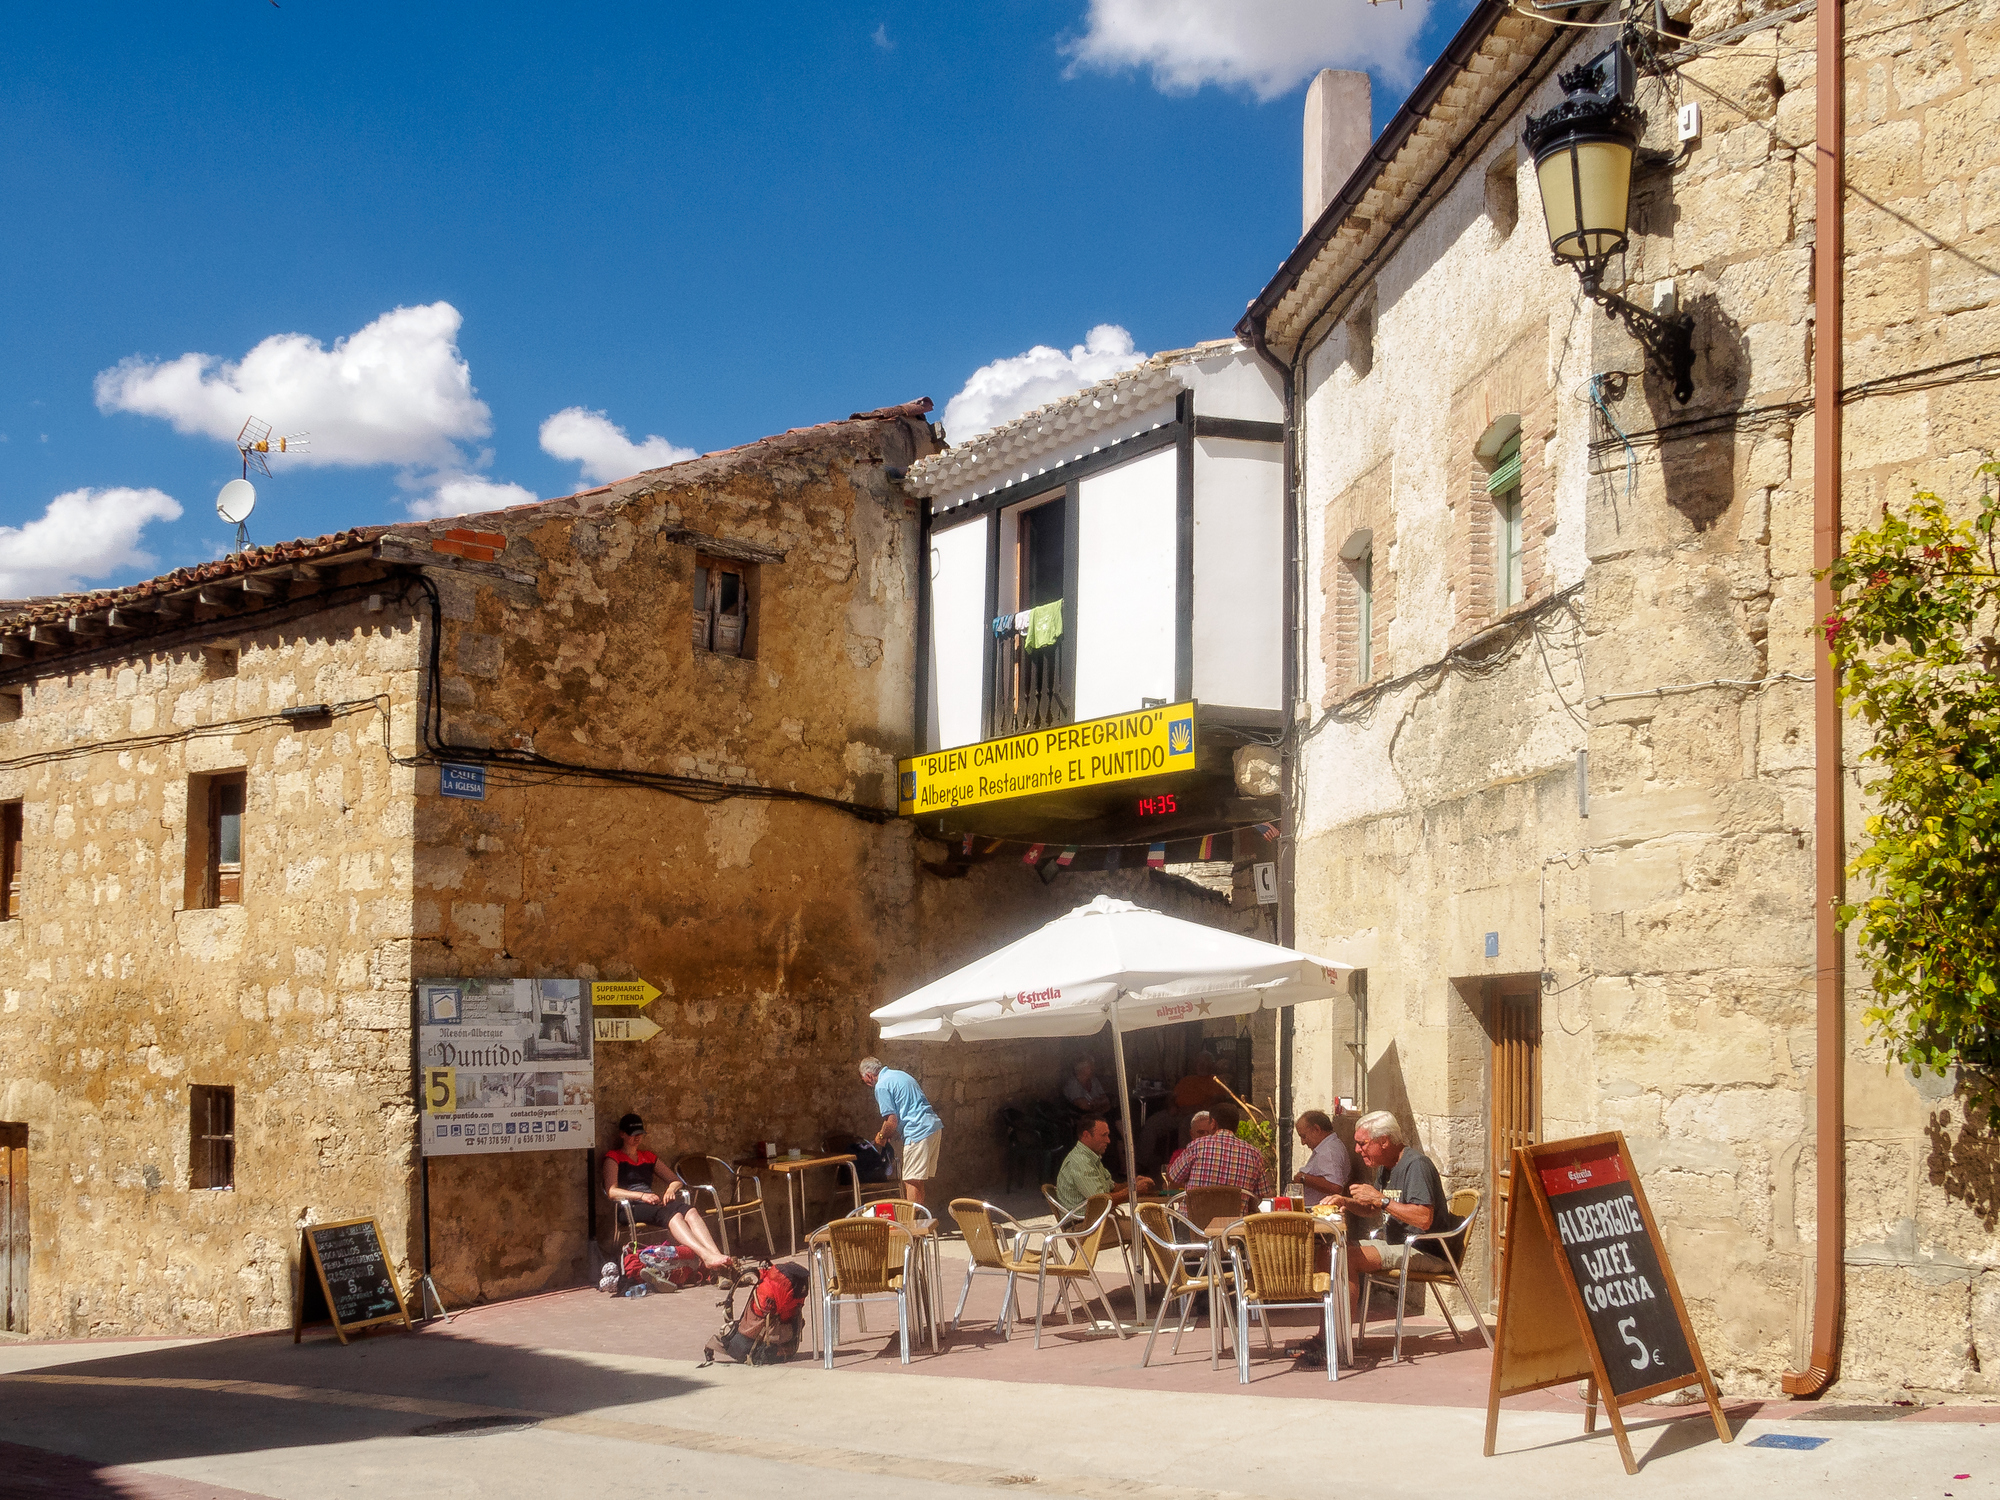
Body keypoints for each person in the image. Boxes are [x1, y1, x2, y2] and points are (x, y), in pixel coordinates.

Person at [1337, 1110, 1465, 1316]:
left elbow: (1423, 1219)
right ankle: (1329, 1336)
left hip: (1425, 1250)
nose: (1357, 1150)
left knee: (1348, 1258)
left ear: (1384, 1141)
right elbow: (1372, 1209)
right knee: (1332, 1251)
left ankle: (1340, 1342)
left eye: (1363, 1143)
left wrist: (1382, 1199)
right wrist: (1345, 1201)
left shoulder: (1416, 1166)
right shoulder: (1386, 1166)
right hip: (1397, 1244)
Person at [601, 1113, 732, 1272]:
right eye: (632, 1134)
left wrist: (670, 1189)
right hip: (630, 1206)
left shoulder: (648, 1156)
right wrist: (642, 1196)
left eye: (640, 1134)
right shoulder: (613, 1157)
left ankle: (716, 1255)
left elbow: (675, 1180)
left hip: (652, 1203)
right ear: (622, 1134)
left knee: (690, 1211)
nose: (637, 1138)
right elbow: (612, 1191)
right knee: (673, 1216)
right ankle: (705, 1256)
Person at [860, 1055, 942, 1205]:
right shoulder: (900, 1074)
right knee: (917, 1180)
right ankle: (921, 1221)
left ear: (869, 1076)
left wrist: (881, 1136)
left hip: (917, 1131)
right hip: (933, 1127)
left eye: (865, 1081)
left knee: (911, 1180)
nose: (868, 1085)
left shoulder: (881, 1085)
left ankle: (912, 1224)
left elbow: (891, 1121)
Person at [1161, 1100, 1271, 1198]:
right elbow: (1260, 1194)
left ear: (1213, 1123)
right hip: (1235, 1221)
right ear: (1236, 1128)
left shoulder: (1197, 1146)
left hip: (1193, 1220)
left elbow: (1173, 1177)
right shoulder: (1254, 1154)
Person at [1054, 1116, 1153, 1214]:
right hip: (1085, 1225)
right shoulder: (1080, 1161)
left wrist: (1133, 1183)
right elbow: (1101, 1202)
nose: (1108, 1140)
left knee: (1146, 1221)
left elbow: (1112, 1187)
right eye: (1103, 1135)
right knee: (1146, 1226)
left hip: (1099, 1220)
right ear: (1086, 1135)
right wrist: (1133, 1190)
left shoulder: (1091, 1158)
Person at [1291, 1110, 1351, 1207]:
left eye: (1304, 1136)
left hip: (1320, 1212)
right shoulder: (1325, 1148)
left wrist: (1303, 1178)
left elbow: (1335, 1186)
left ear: (1317, 1129)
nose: (1303, 1142)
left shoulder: (1329, 1150)